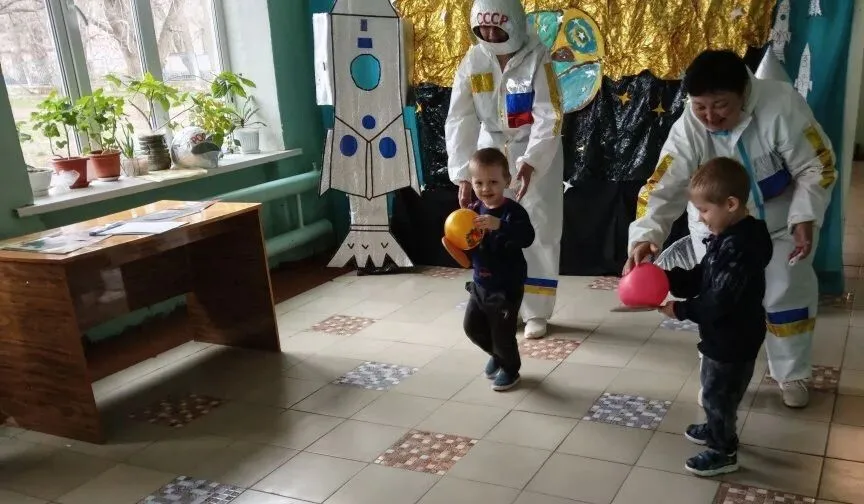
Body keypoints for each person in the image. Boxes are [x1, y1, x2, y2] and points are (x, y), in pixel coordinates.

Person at [627, 49, 837, 408]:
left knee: (784, 292)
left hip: (777, 225)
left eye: (720, 105)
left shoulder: (781, 105)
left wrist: (805, 216)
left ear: (744, 93)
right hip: (716, 229)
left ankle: (792, 373)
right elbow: (662, 185)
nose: (710, 117)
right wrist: (647, 236)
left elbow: (817, 166)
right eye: (700, 107)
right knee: (719, 299)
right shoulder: (689, 126)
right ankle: (715, 375)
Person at [445, 0, 564, 340]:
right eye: (483, 28)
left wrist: (531, 163)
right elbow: (460, 118)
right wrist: (463, 175)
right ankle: (503, 303)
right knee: (492, 228)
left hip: (535, 151)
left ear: (513, 22)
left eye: (497, 27)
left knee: (537, 229)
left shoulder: (538, 57)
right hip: (491, 153)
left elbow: (550, 114)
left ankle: (536, 311)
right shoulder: (474, 61)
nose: (489, 34)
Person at [659, 157, 773, 477]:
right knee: (716, 390)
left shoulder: (740, 247)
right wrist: (667, 279)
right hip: (726, 333)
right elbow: (703, 276)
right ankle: (715, 427)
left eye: (705, 210)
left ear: (731, 204)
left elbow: (719, 300)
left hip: (733, 337)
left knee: (719, 395)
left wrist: (680, 310)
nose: (700, 217)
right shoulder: (729, 236)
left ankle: (723, 450)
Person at [462, 148, 535, 391]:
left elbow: (527, 237)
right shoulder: (473, 210)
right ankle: (497, 354)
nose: (486, 188)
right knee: (472, 328)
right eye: (479, 183)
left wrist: (500, 225)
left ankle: (510, 369)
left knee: (503, 333)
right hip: (480, 283)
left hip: (506, 287)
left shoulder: (513, 211)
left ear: (507, 180)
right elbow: (468, 243)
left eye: (493, 182)